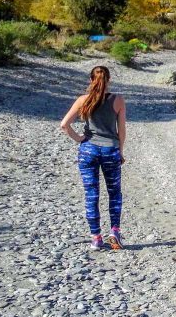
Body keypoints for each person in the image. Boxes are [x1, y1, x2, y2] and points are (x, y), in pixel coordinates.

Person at [60, 65, 127, 251]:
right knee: (114, 193)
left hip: (88, 151)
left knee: (91, 194)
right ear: (109, 80)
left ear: (91, 80)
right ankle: (114, 231)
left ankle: (96, 238)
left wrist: (80, 139)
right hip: (110, 150)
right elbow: (121, 131)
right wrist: (120, 151)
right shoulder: (118, 100)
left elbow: (64, 125)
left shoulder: (83, 100)